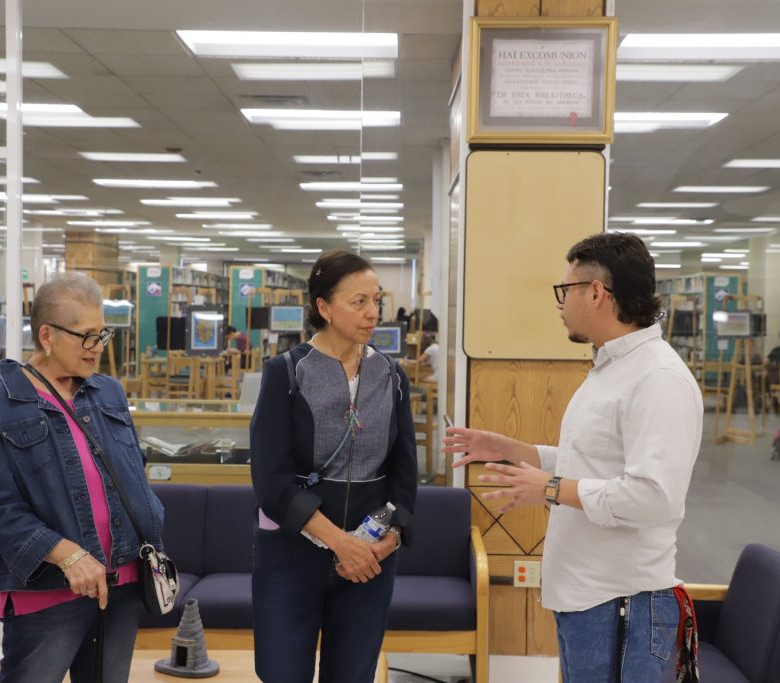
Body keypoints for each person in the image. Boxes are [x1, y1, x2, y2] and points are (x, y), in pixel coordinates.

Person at [443, 232, 703, 681]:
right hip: (585, 594)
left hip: (622, 601)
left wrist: (549, 488)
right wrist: (511, 450)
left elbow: (653, 497)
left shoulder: (658, 378)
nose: (560, 303)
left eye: (565, 290)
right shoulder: (612, 368)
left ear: (596, 292)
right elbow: (592, 463)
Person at [0, 273, 165, 683]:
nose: (98, 347)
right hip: (50, 592)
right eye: (87, 336)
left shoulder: (108, 392)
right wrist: (68, 555)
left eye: (102, 334)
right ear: (47, 336)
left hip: (122, 583)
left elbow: (132, 470)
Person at [249, 249, 418, 683]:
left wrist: (391, 538)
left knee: (353, 674)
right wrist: (340, 543)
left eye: (376, 300)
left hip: (370, 556)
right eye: (358, 302)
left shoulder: (392, 375)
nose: (373, 312)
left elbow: (404, 473)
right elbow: (271, 480)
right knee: (282, 672)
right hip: (291, 554)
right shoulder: (286, 372)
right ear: (323, 307)